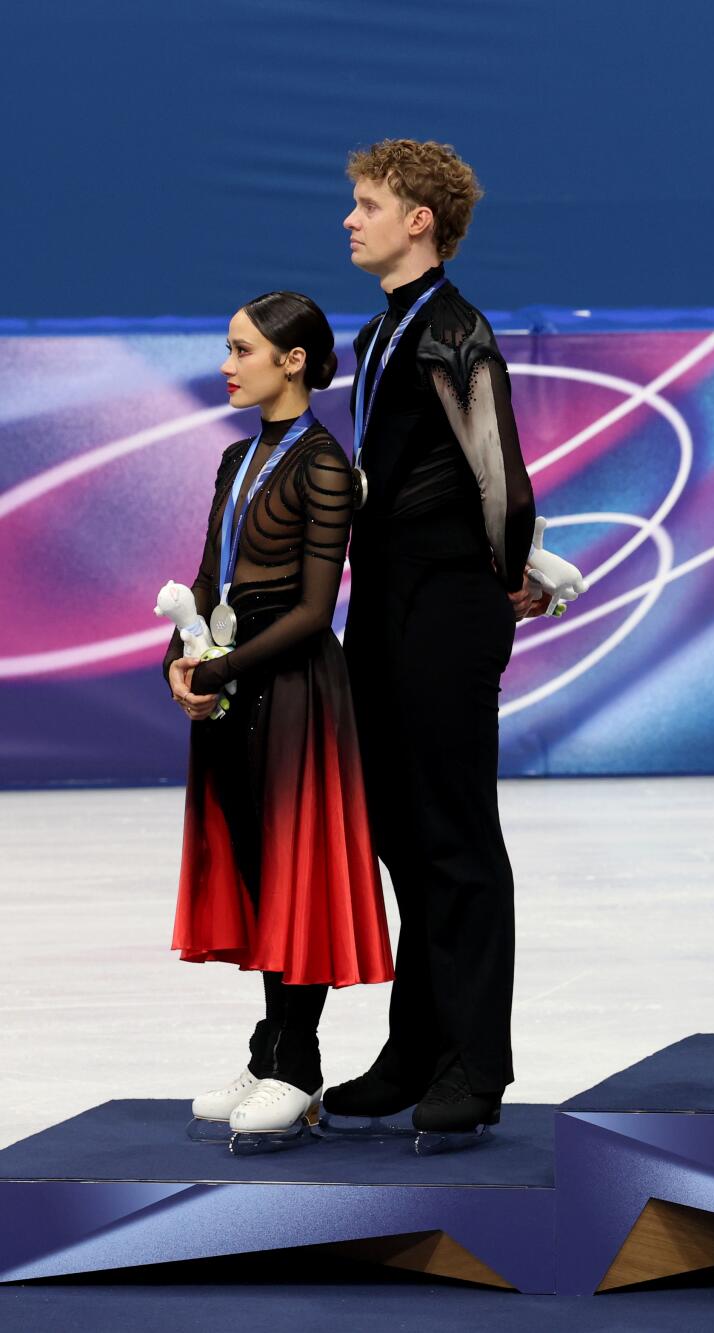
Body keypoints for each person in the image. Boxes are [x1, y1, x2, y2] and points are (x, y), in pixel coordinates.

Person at [318, 139, 538, 1149]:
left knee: (452, 831)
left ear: (420, 221)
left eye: (368, 204)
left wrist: (502, 578)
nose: (351, 219)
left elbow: (502, 476)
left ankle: (474, 1061)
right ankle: (416, 1045)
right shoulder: (380, 330)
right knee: (398, 831)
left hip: (447, 601)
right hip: (388, 598)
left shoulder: (454, 328)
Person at [168, 291, 393, 1146]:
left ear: (292, 360)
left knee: (295, 873)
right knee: (260, 870)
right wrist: (180, 656)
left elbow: (311, 608)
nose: (227, 364)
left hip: (294, 685)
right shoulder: (236, 458)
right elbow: (204, 580)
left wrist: (219, 665)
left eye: (241, 349)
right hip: (232, 678)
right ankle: (269, 1051)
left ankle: (298, 1064)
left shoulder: (325, 463)